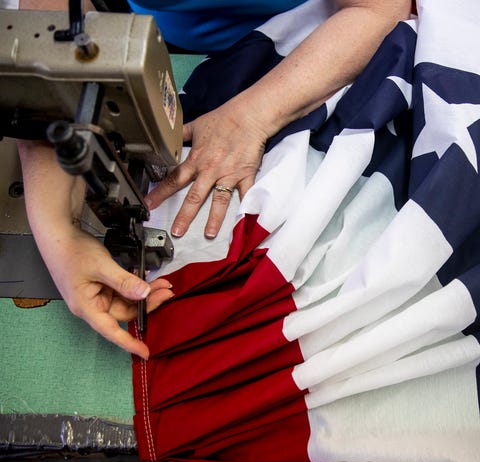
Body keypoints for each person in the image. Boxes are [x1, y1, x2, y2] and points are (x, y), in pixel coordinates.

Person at [17, 0, 411, 359]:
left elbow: (380, 8)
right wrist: (57, 232)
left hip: (322, 38)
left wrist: (250, 118)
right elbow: (45, 52)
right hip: (166, 42)